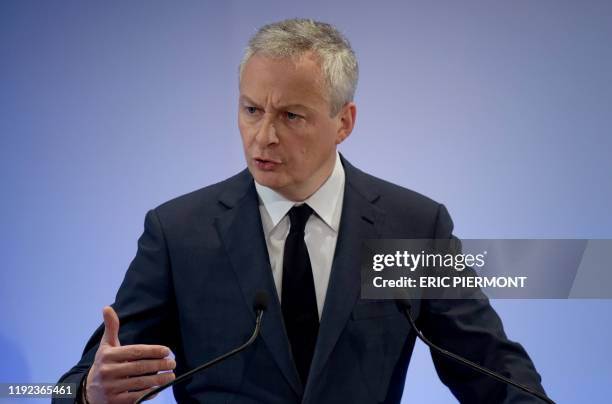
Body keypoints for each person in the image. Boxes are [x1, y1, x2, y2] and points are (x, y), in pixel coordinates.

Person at [56, 18, 547, 404]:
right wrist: (87, 393)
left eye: (291, 115)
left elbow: (493, 372)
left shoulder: (412, 229)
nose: (263, 136)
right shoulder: (180, 234)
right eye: (251, 110)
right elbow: (75, 383)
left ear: (344, 122)